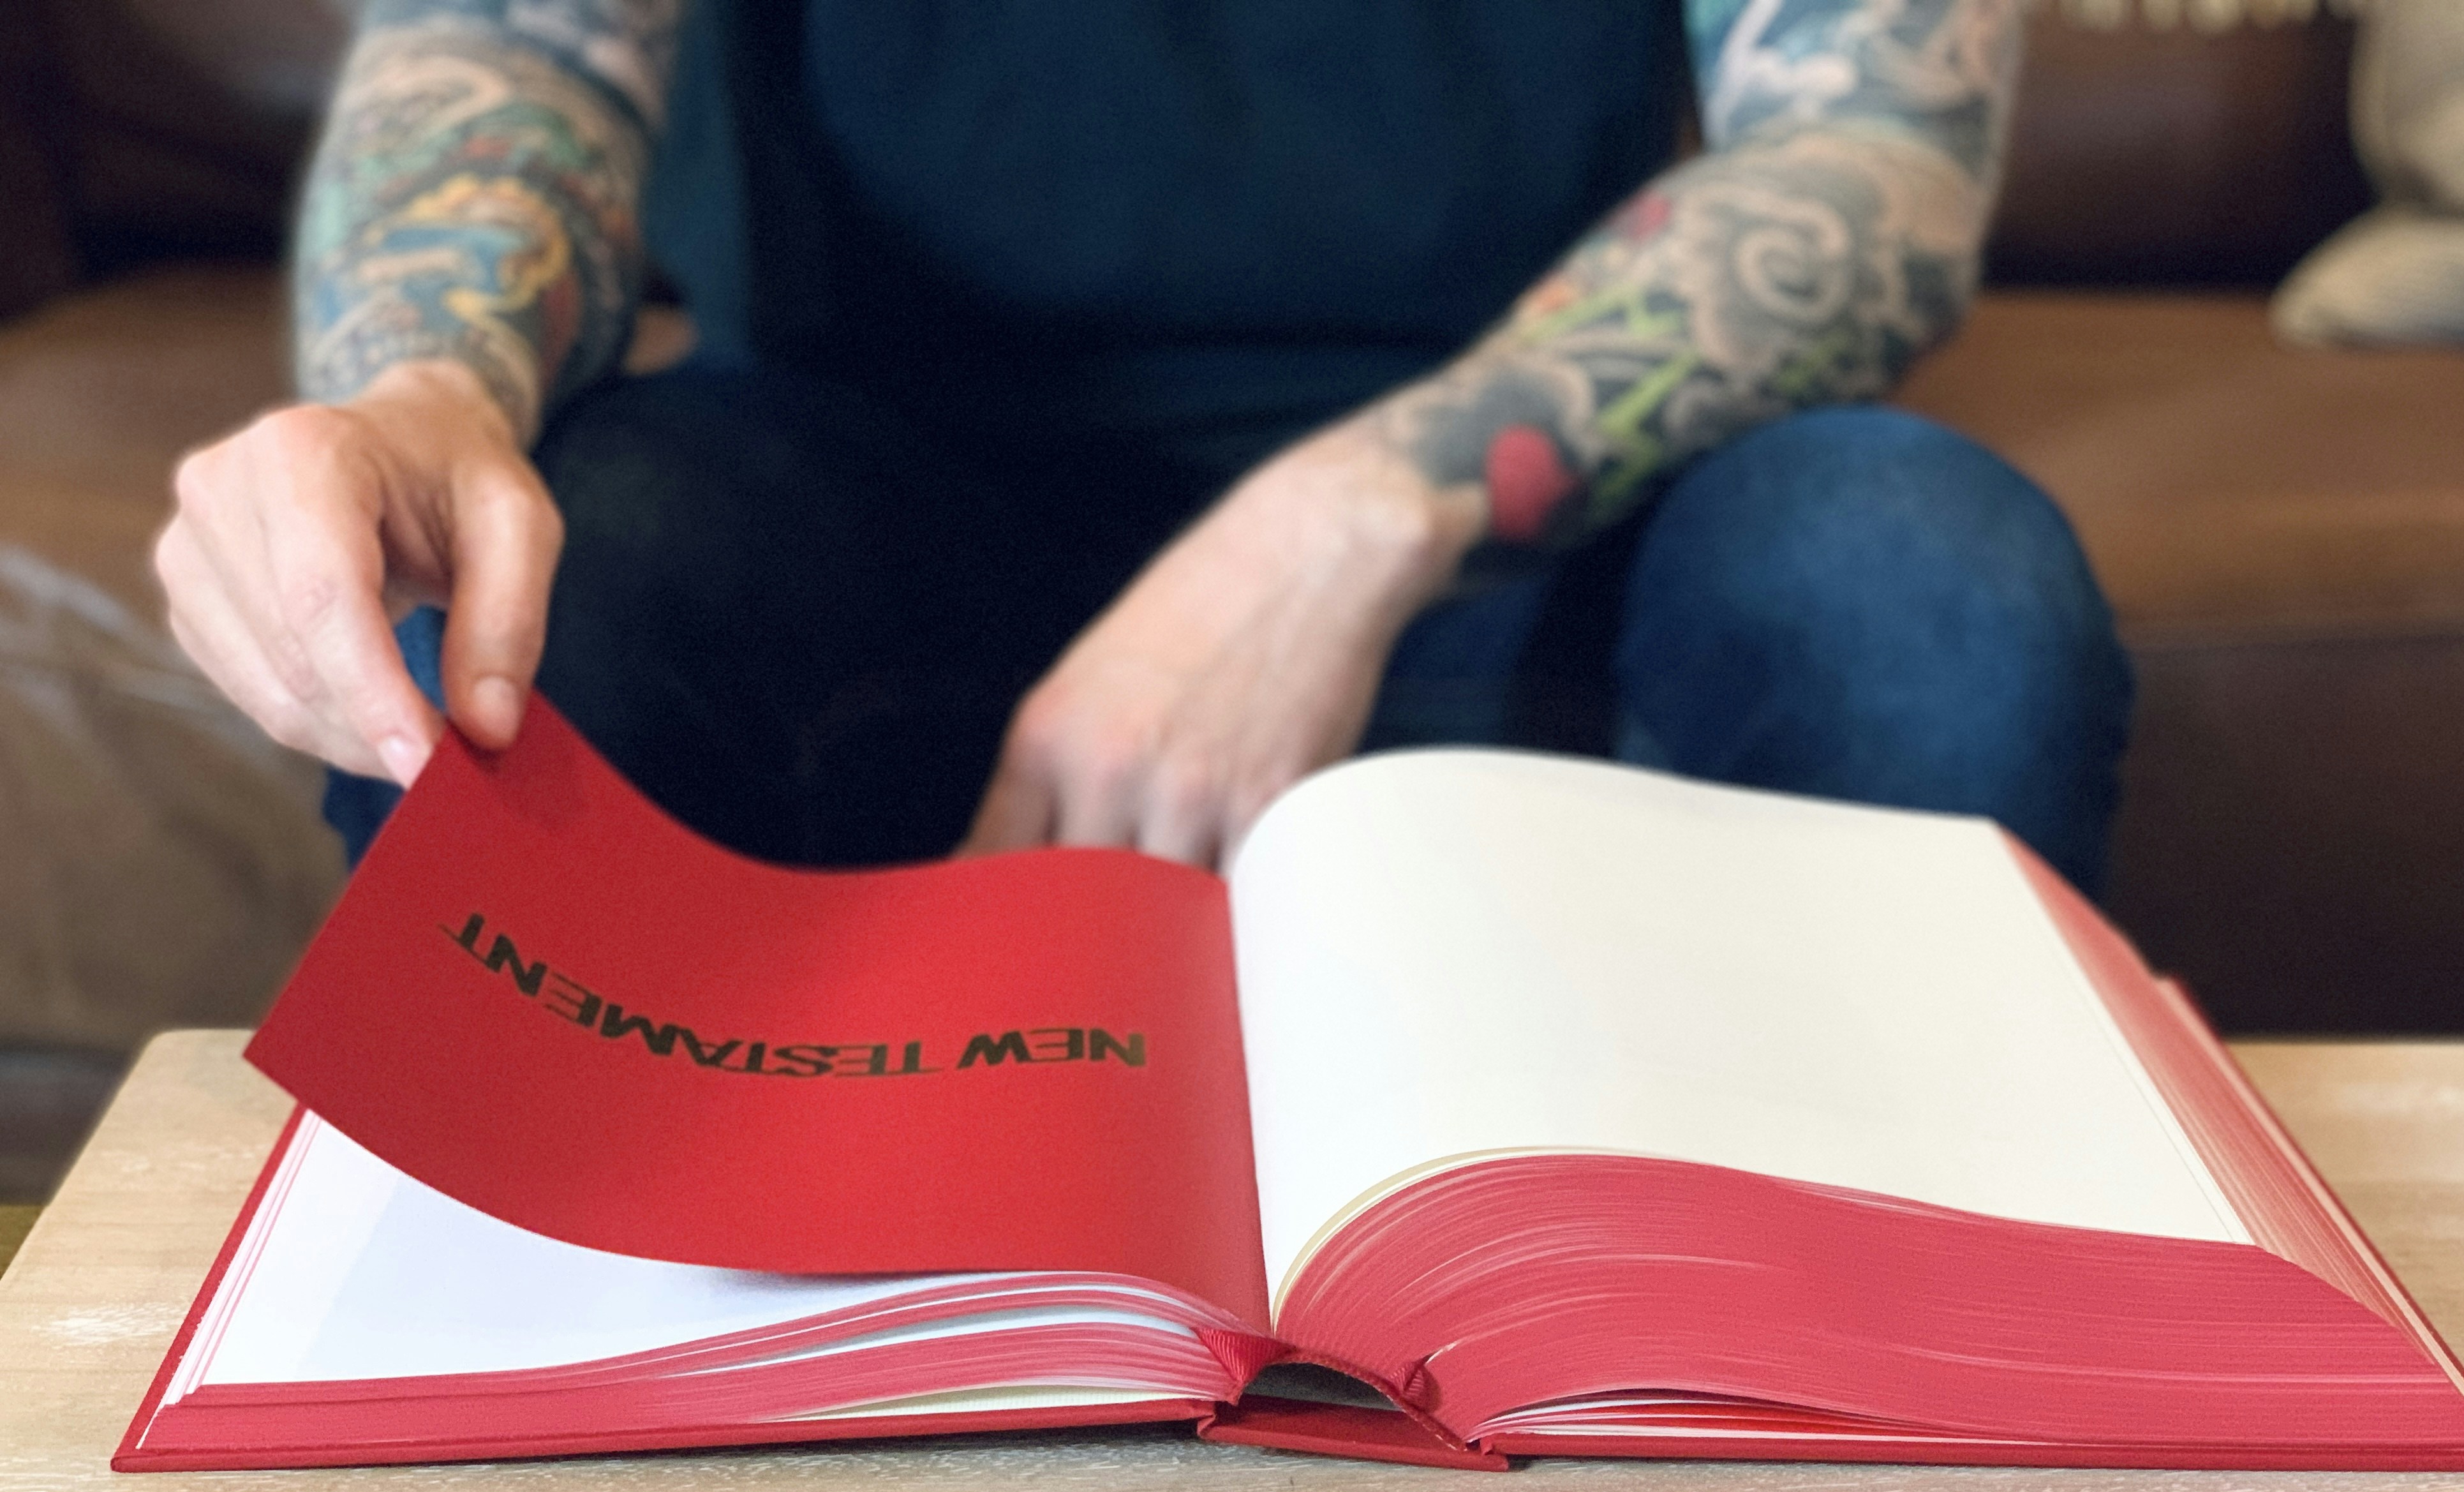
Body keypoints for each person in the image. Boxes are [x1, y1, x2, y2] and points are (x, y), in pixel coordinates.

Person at [156, 0, 2129, 890]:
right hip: (859, 509)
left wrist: (1350, 517)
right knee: (510, 619)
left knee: (1930, 593)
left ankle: (1825, 1432)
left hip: (1505, 531)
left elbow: (1872, 156)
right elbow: (514, 49)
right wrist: (420, 395)